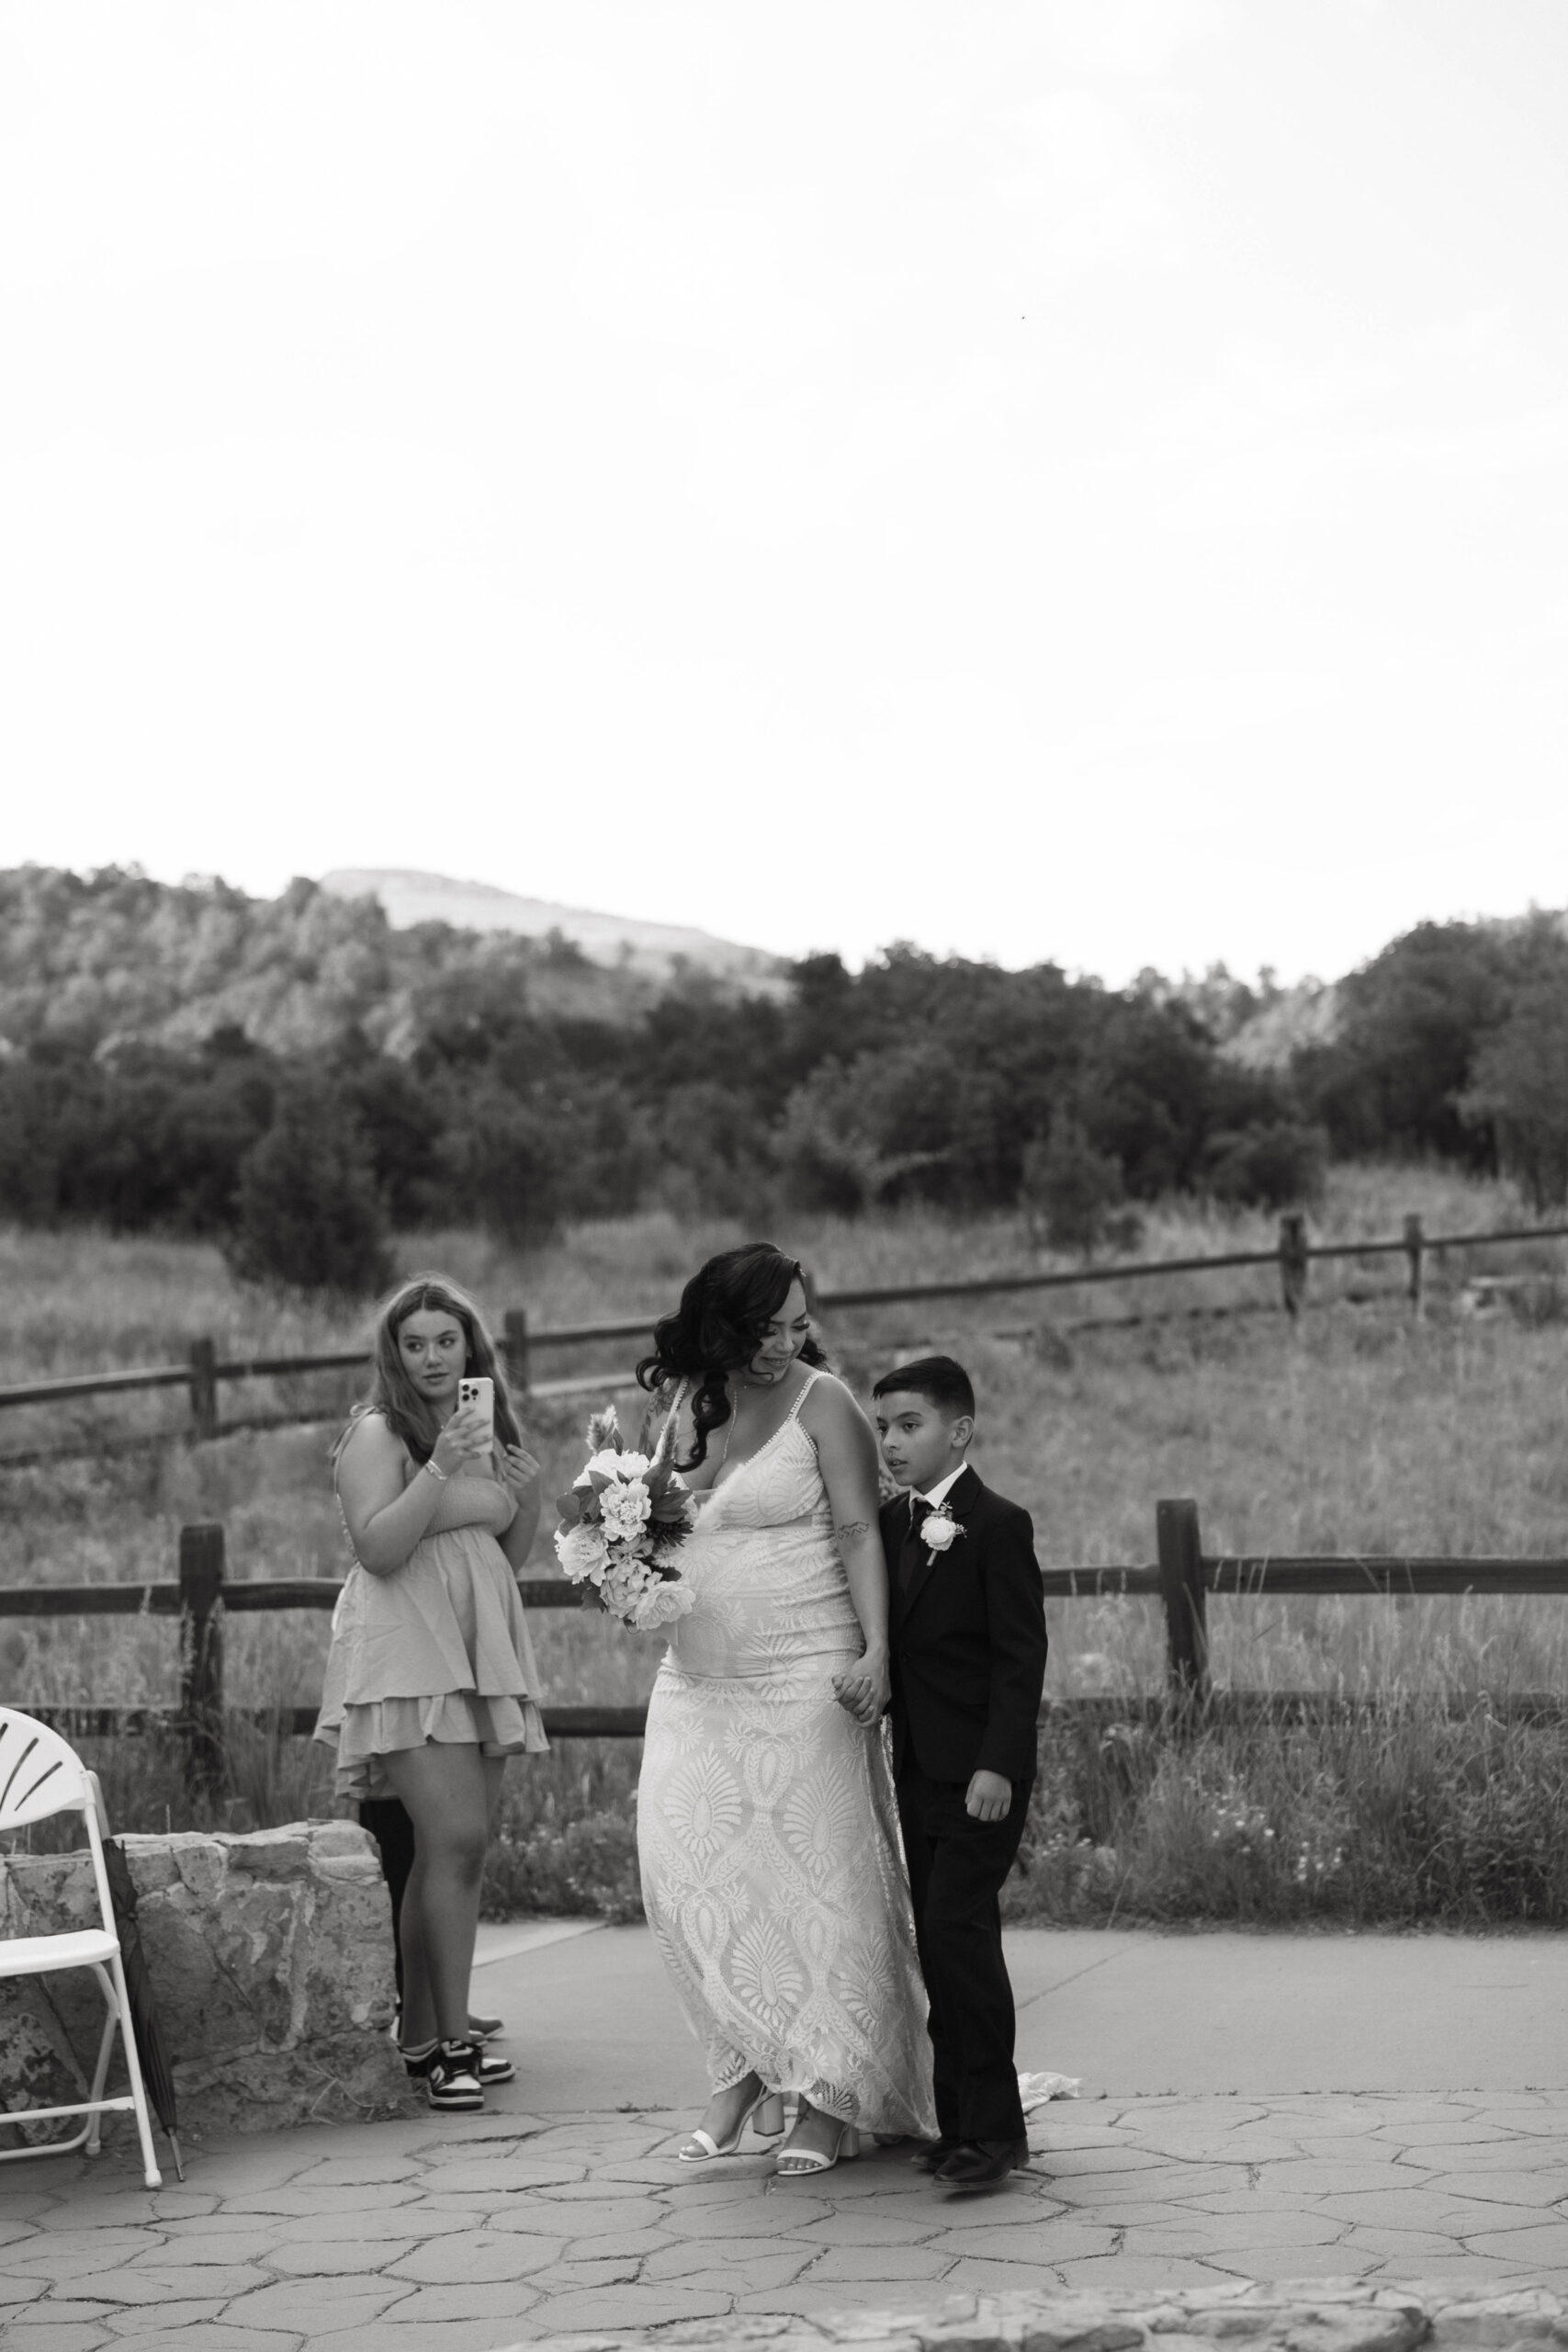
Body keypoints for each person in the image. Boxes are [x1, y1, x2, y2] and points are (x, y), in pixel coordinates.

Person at [635, 1242, 936, 2175]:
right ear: (723, 1323)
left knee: (815, 1887)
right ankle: (746, 2061)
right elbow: (651, 1521)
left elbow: (856, 1529)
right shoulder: (684, 1399)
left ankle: (829, 2094)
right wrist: (618, 1565)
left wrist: (879, 1651)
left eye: (797, 1323)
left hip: (805, 1676)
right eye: (768, 1326)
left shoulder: (824, 1401)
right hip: (695, 1684)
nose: (786, 1341)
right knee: (687, 1870)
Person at [313, 1274, 547, 2112]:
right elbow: (378, 1548)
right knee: (451, 1840)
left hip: (475, 1643)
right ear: (394, 1353)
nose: (431, 1358)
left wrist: (526, 1492)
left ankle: (423, 2036)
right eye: (413, 1343)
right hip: (407, 1646)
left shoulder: (481, 1426)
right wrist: (439, 1465)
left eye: (445, 1341)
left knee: (463, 1849)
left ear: (470, 1347)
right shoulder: (380, 1432)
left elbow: (501, 1554)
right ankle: (450, 2044)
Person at [874, 1354, 1047, 2193]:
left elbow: (1021, 1660)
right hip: (917, 1771)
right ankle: (956, 2124)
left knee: (959, 1938)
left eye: (908, 1426)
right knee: (942, 1948)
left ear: (959, 1431)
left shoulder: (998, 1524)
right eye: (882, 1428)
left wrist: (997, 1765)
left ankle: (996, 2135)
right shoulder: (892, 1525)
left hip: (981, 1776)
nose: (891, 1442)